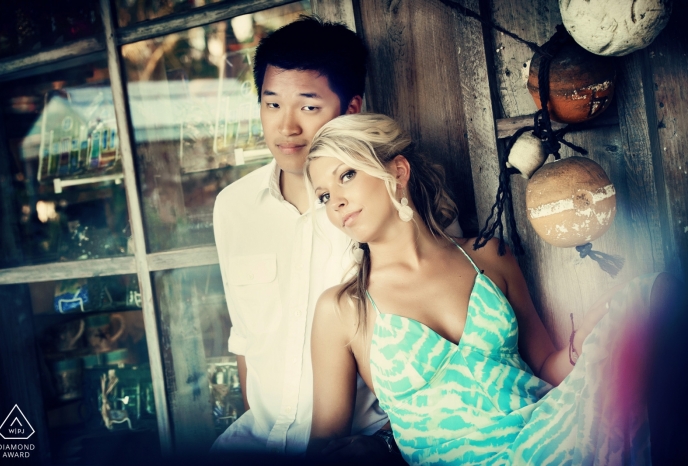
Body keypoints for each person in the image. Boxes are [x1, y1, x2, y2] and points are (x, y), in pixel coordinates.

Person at [305, 112, 683, 465]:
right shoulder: (342, 309)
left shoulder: (489, 256)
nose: (335, 202)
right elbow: (326, 449)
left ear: (398, 170)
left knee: (651, 296)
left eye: (347, 175)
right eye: (323, 195)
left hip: (544, 435)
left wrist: (580, 343)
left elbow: (545, 369)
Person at [211, 17, 430, 460]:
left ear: (350, 109)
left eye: (308, 107)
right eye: (272, 105)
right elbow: (245, 340)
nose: (286, 127)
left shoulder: (379, 198)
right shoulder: (232, 208)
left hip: (361, 449)